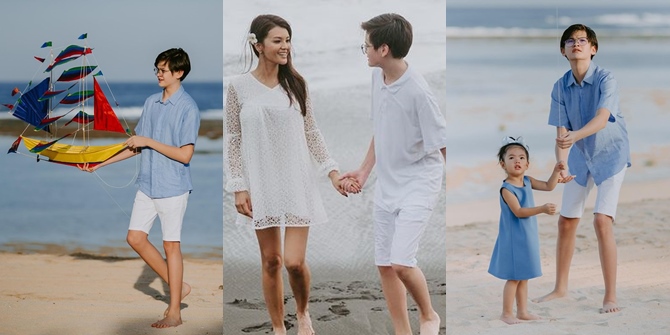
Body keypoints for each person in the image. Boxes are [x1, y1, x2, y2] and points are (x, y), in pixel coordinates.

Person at [223, 14, 353, 335]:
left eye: (288, 40)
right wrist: (238, 186)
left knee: (294, 262)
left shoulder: (296, 84)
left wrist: (332, 173)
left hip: (296, 181)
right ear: (258, 45)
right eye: (278, 41)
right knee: (271, 261)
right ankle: (279, 327)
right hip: (260, 184)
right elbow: (234, 139)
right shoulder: (238, 87)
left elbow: (312, 133)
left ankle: (303, 312)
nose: (285, 47)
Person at [340, 13, 446, 335]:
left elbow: (442, 143)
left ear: (383, 49)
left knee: (401, 263)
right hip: (388, 183)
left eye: (367, 46)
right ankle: (403, 331)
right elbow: (382, 128)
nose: (365, 51)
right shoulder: (379, 78)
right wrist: (364, 169)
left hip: (419, 182)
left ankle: (429, 315)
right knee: (385, 264)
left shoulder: (418, 92)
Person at [81, 48, 199, 328]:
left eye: (164, 69)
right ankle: (178, 286)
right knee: (135, 238)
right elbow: (135, 144)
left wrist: (148, 141)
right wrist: (100, 162)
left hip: (173, 187)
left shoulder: (188, 108)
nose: (158, 74)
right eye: (157, 69)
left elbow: (185, 155)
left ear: (179, 73)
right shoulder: (150, 103)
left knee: (171, 246)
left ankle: (174, 313)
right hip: (147, 184)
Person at [533, 24, 631, 314]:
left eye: (582, 40)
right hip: (580, 155)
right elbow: (561, 134)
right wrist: (561, 163)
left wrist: (574, 137)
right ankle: (560, 288)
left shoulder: (606, 79)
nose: (576, 44)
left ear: (593, 49)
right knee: (566, 221)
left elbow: (602, 119)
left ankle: (610, 296)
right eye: (570, 41)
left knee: (602, 221)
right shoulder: (559, 86)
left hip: (611, 154)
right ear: (563, 51)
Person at [488, 137, 567, 324]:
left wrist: (556, 171)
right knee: (514, 278)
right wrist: (542, 209)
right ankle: (507, 313)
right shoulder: (507, 189)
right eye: (512, 158)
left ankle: (522, 311)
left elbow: (548, 186)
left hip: (527, 235)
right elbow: (519, 212)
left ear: (527, 164)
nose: (517, 161)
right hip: (514, 238)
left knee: (523, 276)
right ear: (502, 164)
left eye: (522, 158)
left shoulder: (528, 181)